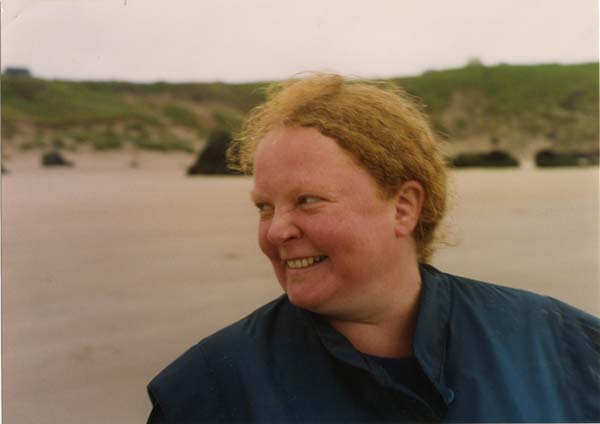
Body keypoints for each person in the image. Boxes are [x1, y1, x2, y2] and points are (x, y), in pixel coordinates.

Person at [147, 74, 600, 423]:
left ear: (404, 207)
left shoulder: (567, 348)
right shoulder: (206, 391)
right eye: (265, 207)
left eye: (307, 200)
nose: (276, 231)